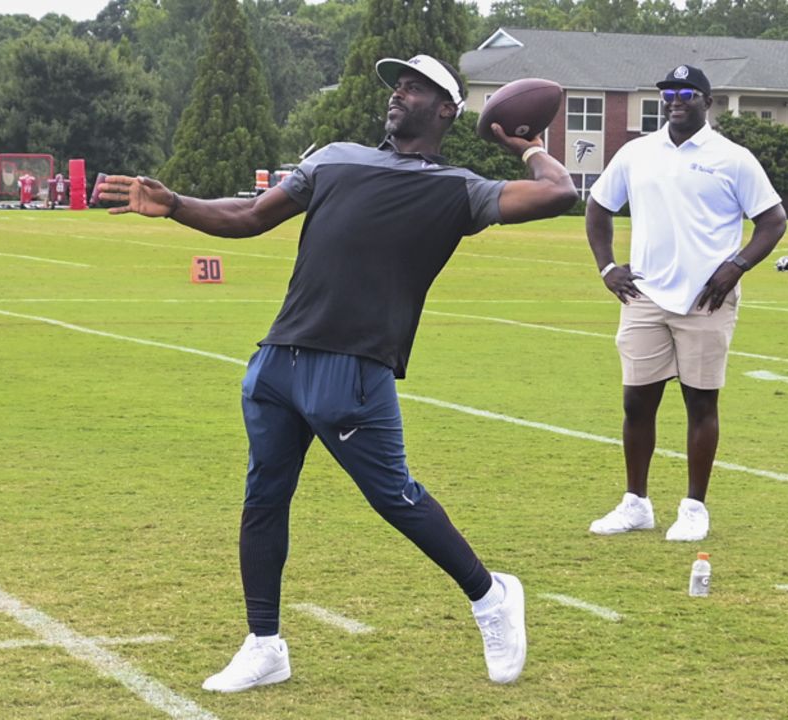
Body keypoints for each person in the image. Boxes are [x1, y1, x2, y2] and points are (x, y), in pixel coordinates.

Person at [97, 54, 577, 690]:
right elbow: (248, 217)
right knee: (263, 500)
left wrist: (528, 147)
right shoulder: (334, 158)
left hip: (353, 367)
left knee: (394, 498)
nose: (397, 94)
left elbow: (560, 193)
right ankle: (264, 643)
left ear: (446, 109)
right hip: (279, 359)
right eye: (396, 85)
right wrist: (177, 204)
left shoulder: (457, 188)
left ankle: (491, 596)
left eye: (414, 87)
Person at [585, 64, 786, 542]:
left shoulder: (732, 157)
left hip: (706, 300)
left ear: (707, 101)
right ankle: (636, 503)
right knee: (637, 402)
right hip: (645, 294)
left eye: (687, 93)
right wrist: (608, 267)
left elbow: (773, 220)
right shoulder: (636, 152)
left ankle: (694, 507)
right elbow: (597, 207)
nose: (676, 99)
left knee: (700, 402)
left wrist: (736, 265)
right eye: (669, 92)